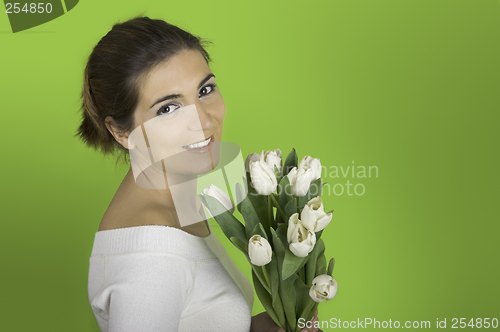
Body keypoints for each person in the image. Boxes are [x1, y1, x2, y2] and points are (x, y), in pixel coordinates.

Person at [76, 15, 321, 332]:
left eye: (205, 90)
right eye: (168, 108)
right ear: (121, 133)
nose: (204, 121)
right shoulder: (149, 257)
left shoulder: (181, 200)